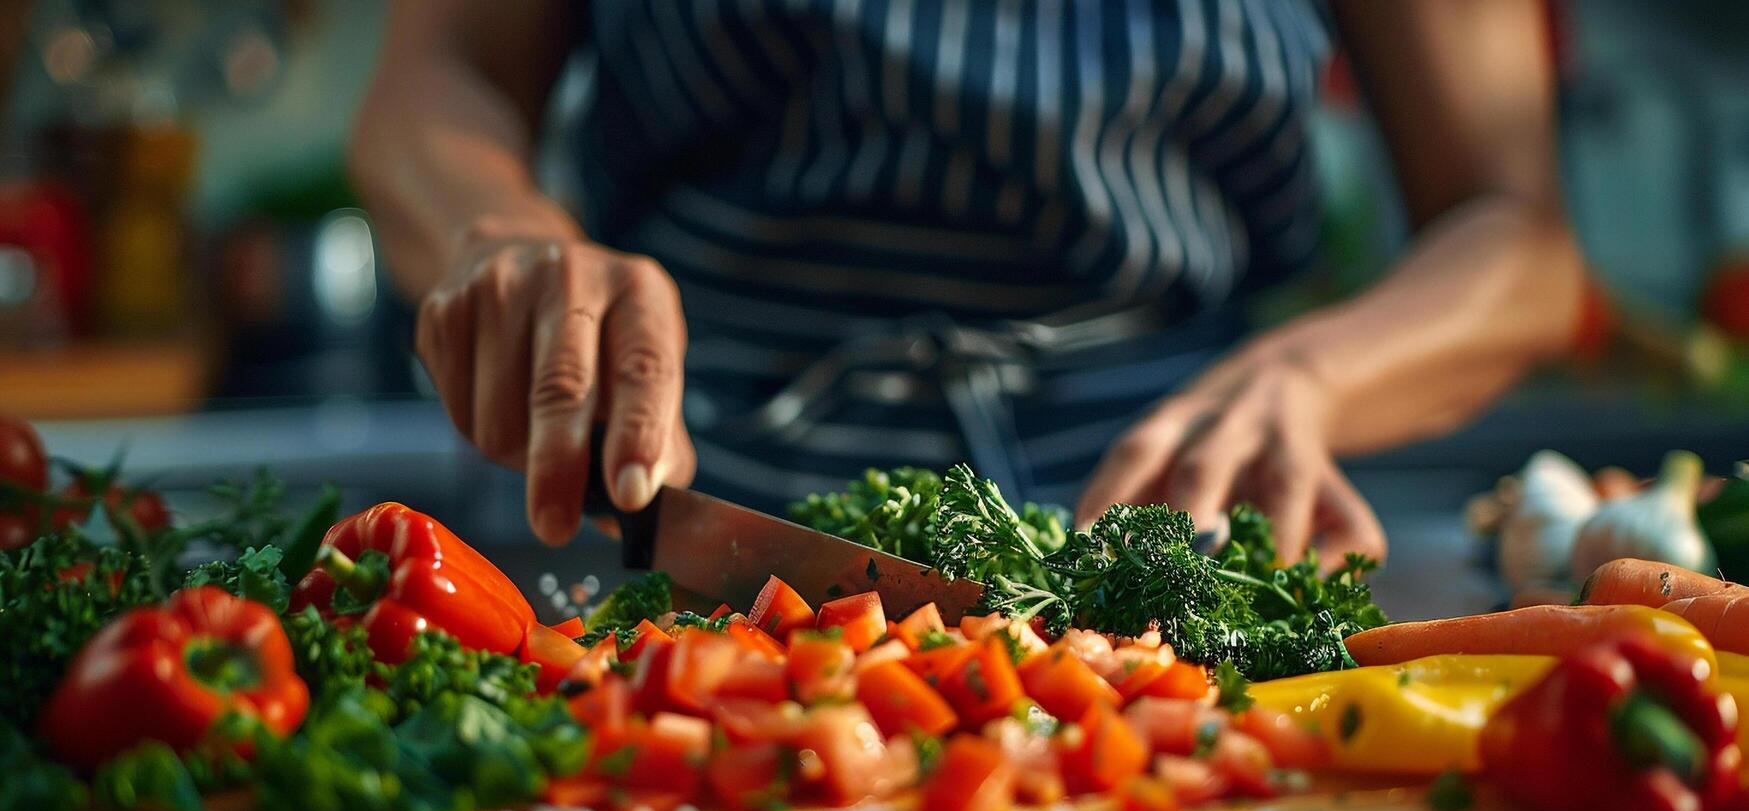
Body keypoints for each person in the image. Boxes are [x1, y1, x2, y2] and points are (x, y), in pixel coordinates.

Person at [350, 0, 1581, 568]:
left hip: (1164, 531)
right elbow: (437, 75)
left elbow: (1516, 238)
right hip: (671, 495)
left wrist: (1311, 376)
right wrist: (499, 231)